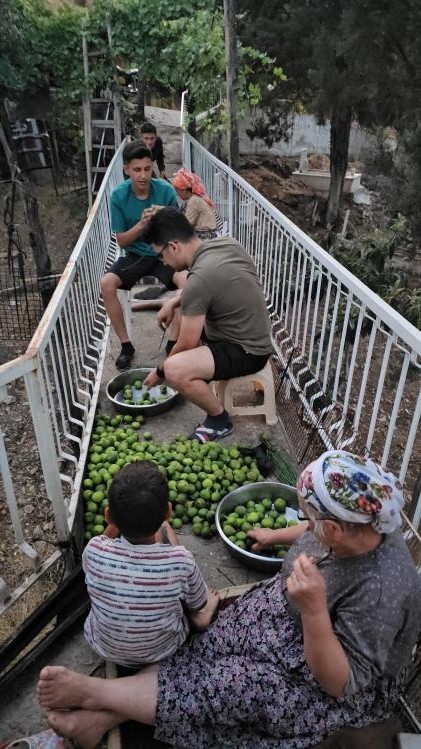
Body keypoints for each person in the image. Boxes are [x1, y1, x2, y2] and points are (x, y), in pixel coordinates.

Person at [38, 450, 421, 749]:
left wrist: (315, 612)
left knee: (231, 687)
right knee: (210, 645)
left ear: (334, 529)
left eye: (309, 516)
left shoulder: (382, 589)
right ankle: (102, 719)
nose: (306, 524)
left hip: (325, 679)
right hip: (288, 622)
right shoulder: (356, 526)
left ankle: (95, 695)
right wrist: (275, 537)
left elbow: (341, 684)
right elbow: (312, 525)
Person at [142, 208, 273, 442]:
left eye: (161, 256)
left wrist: (160, 371)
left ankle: (218, 420)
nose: (164, 262)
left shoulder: (198, 279)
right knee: (187, 323)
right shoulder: (226, 244)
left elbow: (187, 342)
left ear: (173, 247)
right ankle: (199, 380)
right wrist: (173, 301)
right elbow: (212, 286)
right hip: (257, 336)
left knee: (175, 369)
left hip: (247, 351)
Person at [83, 461, 219, 669]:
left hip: (104, 646)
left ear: (108, 515)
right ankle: (199, 621)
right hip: (163, 651)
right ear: (169, 511)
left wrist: (114, 523)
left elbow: (106, 539)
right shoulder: (180, 561)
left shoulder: (94, 550)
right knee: (189, 593)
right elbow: (199, 601)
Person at [101, 142, 186, 370]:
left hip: (164, 255)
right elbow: (121, 240)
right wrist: (141, 225)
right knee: (106, 284)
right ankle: (126, 346)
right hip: (135, 256)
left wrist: (164, 217)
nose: (143, 175)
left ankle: (172, 342)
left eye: (147, 169)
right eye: (137, 170)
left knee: (188, 281)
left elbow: (179, 233)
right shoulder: (118, 196)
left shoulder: (165, 191)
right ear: (126, 169)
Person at [172, 168, 219, 239]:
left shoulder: (194, 201)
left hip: (206, 234)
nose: (177, 194)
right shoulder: (195, 198)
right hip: (208, 232)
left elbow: (187, 223)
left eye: (177, 191)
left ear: (184, 190)